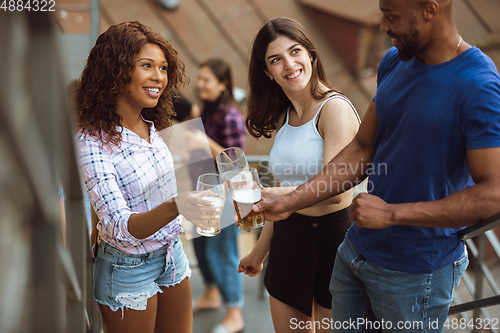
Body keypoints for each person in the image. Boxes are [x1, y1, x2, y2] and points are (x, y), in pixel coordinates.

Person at [252, 1, 500, 332]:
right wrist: (289, 201)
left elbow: (492, 194)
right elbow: (362, 148)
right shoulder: (394, 61)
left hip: (415, 272)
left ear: (430, 8)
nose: (383, 26)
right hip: (354, 252)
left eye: (392, 16)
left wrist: (394, 214)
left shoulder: (479, 84)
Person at [75, 21, 219, 333]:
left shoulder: (152, 125)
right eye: (147, 66)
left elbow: (156, 194)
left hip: (172, 255)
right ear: (115, 72)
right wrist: (178, 205)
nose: (159, 77)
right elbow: (118, 227)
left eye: (164, 68)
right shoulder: (91, 143)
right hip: (127, 268)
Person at [237, 17, 360, 333]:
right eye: (275, 59)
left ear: (311, 55)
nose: (289, 64)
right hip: (288, 243)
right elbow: (280, 194)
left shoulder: (335, 109)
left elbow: (338, 191)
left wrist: (270, 196)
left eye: (295, 52)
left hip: (333, 242)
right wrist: (259, 251)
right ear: (267, 72)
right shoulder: (285, 117)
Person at [184, 58, 247, 333]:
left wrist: (203, 142)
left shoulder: (231, 116)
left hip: (224, 194)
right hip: (202, 191)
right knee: (200, 247)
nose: (200, 85)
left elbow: (236, 164)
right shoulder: (207, 112)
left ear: (223, 85)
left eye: (207, 80)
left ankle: (235, 312)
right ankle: (211, 294)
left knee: (221, 253)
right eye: (200, 79)